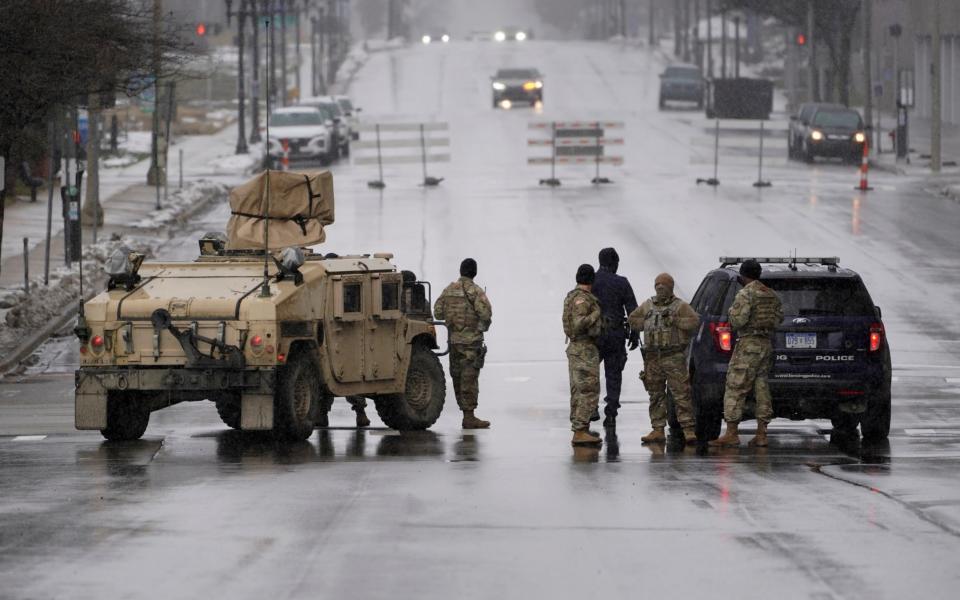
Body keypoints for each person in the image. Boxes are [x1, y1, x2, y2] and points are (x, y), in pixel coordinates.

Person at [710, 259, 784, 448]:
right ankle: (762, 434)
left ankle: (732, 433)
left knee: (736, 386)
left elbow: (738, 321)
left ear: (743, 276)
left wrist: (731, 313)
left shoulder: (746, 294)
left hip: (748, 345)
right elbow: (778, 320)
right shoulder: (771, 295)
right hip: (766, 345)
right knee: (762, 388)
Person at [628, 273, 700, 445]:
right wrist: (645, 323)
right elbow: (633, 319)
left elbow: (694, 322)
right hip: (653, 358)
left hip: (673, 357)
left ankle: (688, 430)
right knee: (655, 395)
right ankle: (657, 429)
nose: (660, 287)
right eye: (657, 284)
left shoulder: (680, 306)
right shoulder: (648, 305)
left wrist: (675, 321)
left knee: (681, 394)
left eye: (664, 284)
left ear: (671, 287)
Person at [434, 258, 493, 429]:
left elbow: (438, 312)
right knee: (469, 378)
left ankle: (465, 413)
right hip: (471, 344)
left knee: (457, 376)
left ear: (460, 271)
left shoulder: (448, 290)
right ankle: (469, 416)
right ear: (474, 272)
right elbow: (486, 314)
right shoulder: (475, 291)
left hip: (454, 342)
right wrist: (481, 328)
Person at [591, 247, 639, 428]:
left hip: (595, 336)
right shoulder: (622, 283)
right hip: (615, 335)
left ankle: (591, 406)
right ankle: (611, 411)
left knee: (591, 374)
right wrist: (634, 334)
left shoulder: (590, 281)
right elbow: (633, 311)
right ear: (615, 263)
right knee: (613, 374)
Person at [563, 264, 603, 446]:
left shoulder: (572, 296)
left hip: (577, 349)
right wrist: (596, 314)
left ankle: (580, 427)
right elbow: (579, 324)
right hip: (584, 349)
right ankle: (579, 431)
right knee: (588, 390)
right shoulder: (583, 299)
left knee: (578, 391)